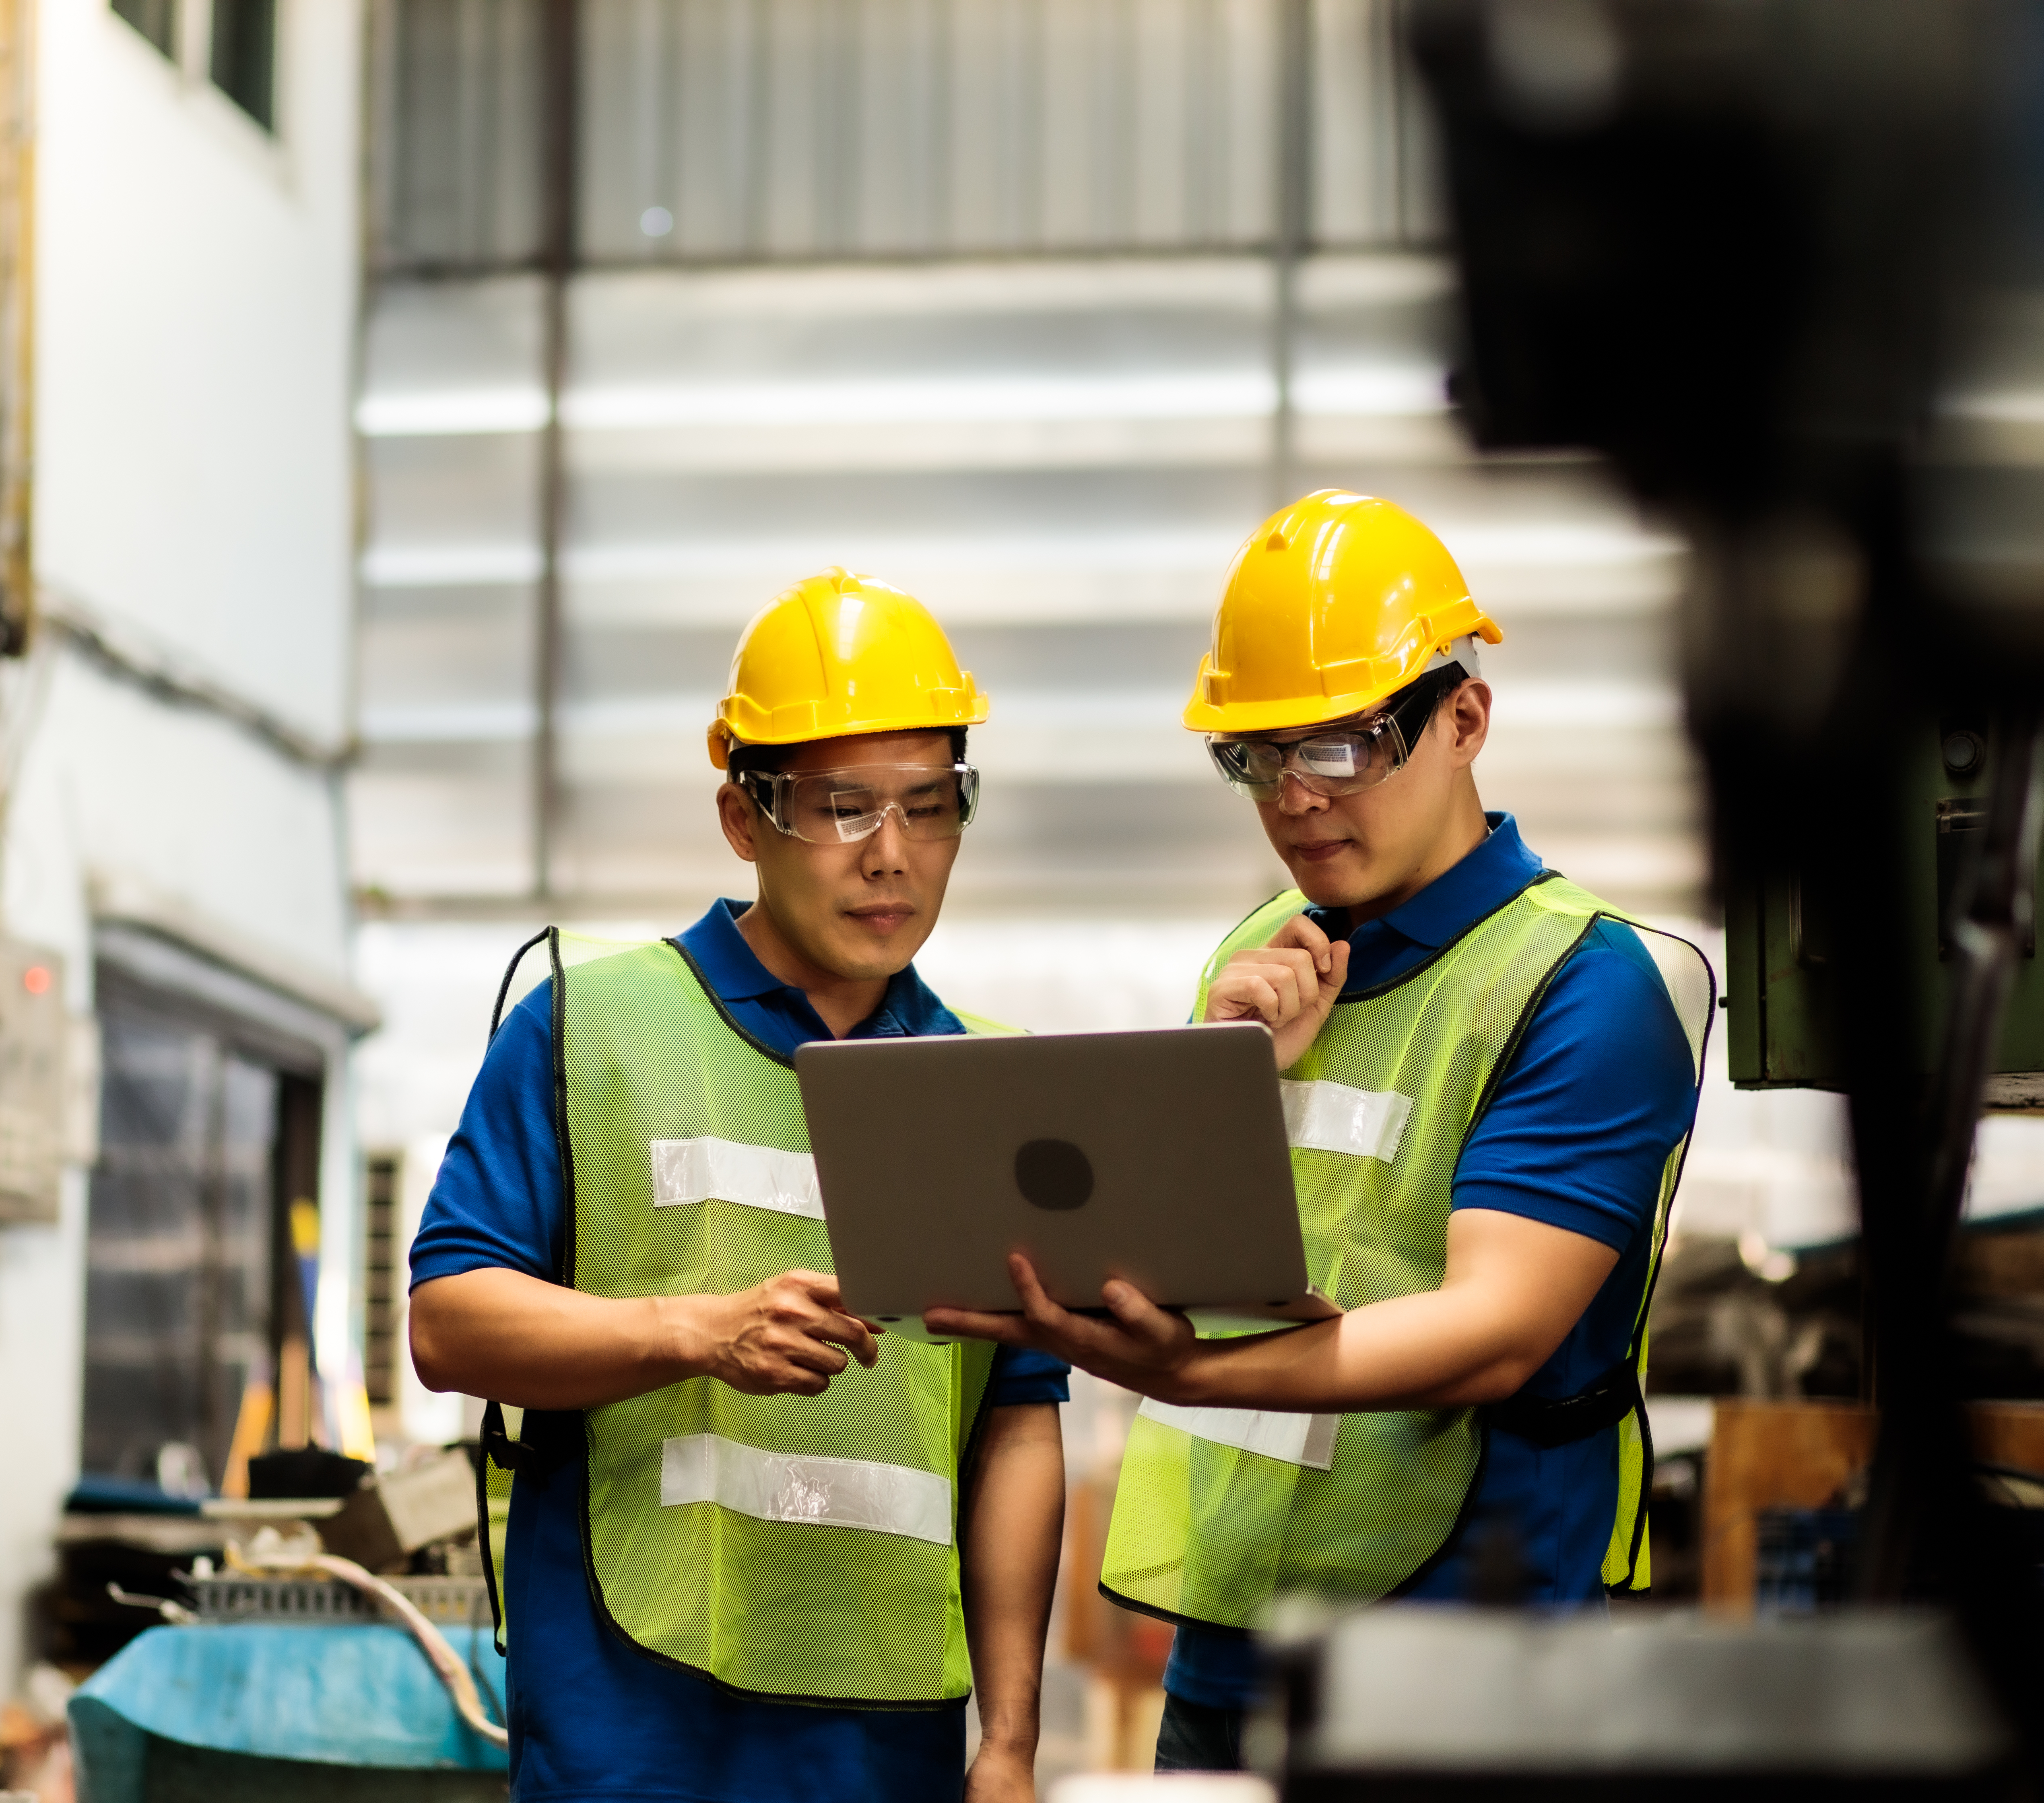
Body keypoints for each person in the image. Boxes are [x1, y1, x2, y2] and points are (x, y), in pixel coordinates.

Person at [927, 491, 1712, 1771]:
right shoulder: (1258, 960)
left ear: (1465, 718)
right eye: (1256, 755)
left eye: (1341, 746)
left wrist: (1181, 1375)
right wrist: (1211, 1079)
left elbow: (1491, 1333)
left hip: (1469, 1665)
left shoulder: (1584, 984)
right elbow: (1172, 1253)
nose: (1294, 798)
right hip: (1237, 1640)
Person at [408, 568, 1070, 1803]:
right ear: (742, 815)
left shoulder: (992, 1086)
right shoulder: (591, 1027)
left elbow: (1017, 1425)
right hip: (629, 1732)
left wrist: (1012, 1741)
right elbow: (448, 1325)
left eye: (931, 808)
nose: (893, 858)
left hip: (887, 1746)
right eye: (843, 809)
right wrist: (703, 1330)